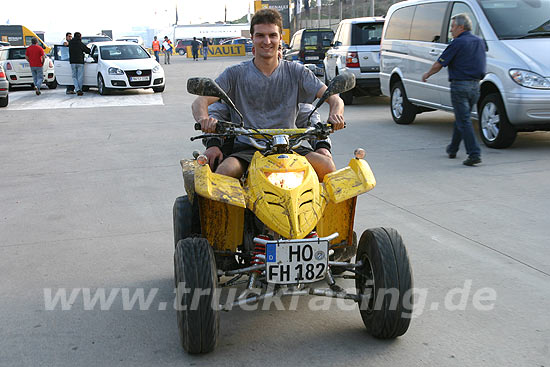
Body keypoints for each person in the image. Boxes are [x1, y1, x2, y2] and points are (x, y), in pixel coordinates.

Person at [191, 8, 345, 181]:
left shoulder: (298, 72)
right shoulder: (234, 74)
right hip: (248, 149)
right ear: (252, 39)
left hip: (290, 147)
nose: (267, 41)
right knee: (225, 171)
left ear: (281, 39)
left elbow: (333, 98)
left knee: (328, 167)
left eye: (272, 35)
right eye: (260, 35)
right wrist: (204, 120)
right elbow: (200, 102)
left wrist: (335, 113)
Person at [422, 13, 486, 166]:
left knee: (464, 120)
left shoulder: (457, 43)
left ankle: (474, 153)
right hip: (475, 86)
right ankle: (453, 148)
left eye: (452, 27)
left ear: (461, 27)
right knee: (462, 117)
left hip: (460, 86)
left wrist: (427, 74)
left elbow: (440, 63)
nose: (451, 30)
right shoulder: (479, 42)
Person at [68, 32, 91, 96]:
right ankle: (79, 89)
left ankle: (77, 89)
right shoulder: (80, 44)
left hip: (72, 62)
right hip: (80, 62)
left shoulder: (70, 43)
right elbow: (88, 51)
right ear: (80, 37)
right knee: (80, 76)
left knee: (74, 76)